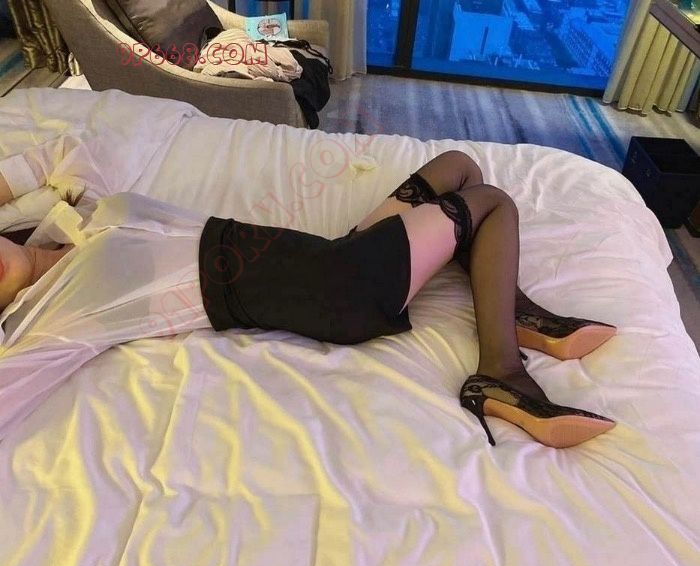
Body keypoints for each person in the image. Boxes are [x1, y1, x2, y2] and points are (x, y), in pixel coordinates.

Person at [0, 137, 617, 447]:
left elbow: (70, 151)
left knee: (457, 167)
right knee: (491, 203)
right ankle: (501, 371)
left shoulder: (77, 217)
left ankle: (510, 309)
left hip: (327, 254)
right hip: (337, 292)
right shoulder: (53, 316)